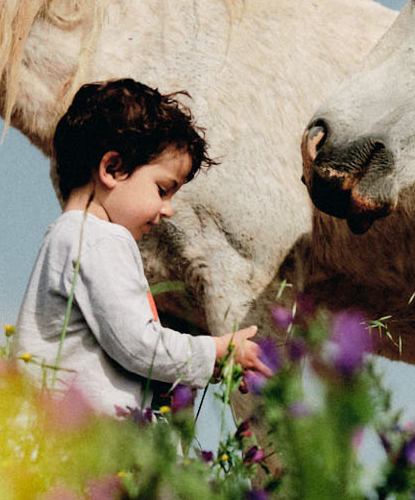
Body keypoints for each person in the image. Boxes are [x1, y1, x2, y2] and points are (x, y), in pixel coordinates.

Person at [14, 79, 267, 413]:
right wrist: (216, 350)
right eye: (162, 189)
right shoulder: (101, 240)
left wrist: (212, 367)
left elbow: (124, 353)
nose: (168, 209)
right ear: (113, 169)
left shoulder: (67, 237)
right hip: (88, 443)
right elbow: (138, 345)